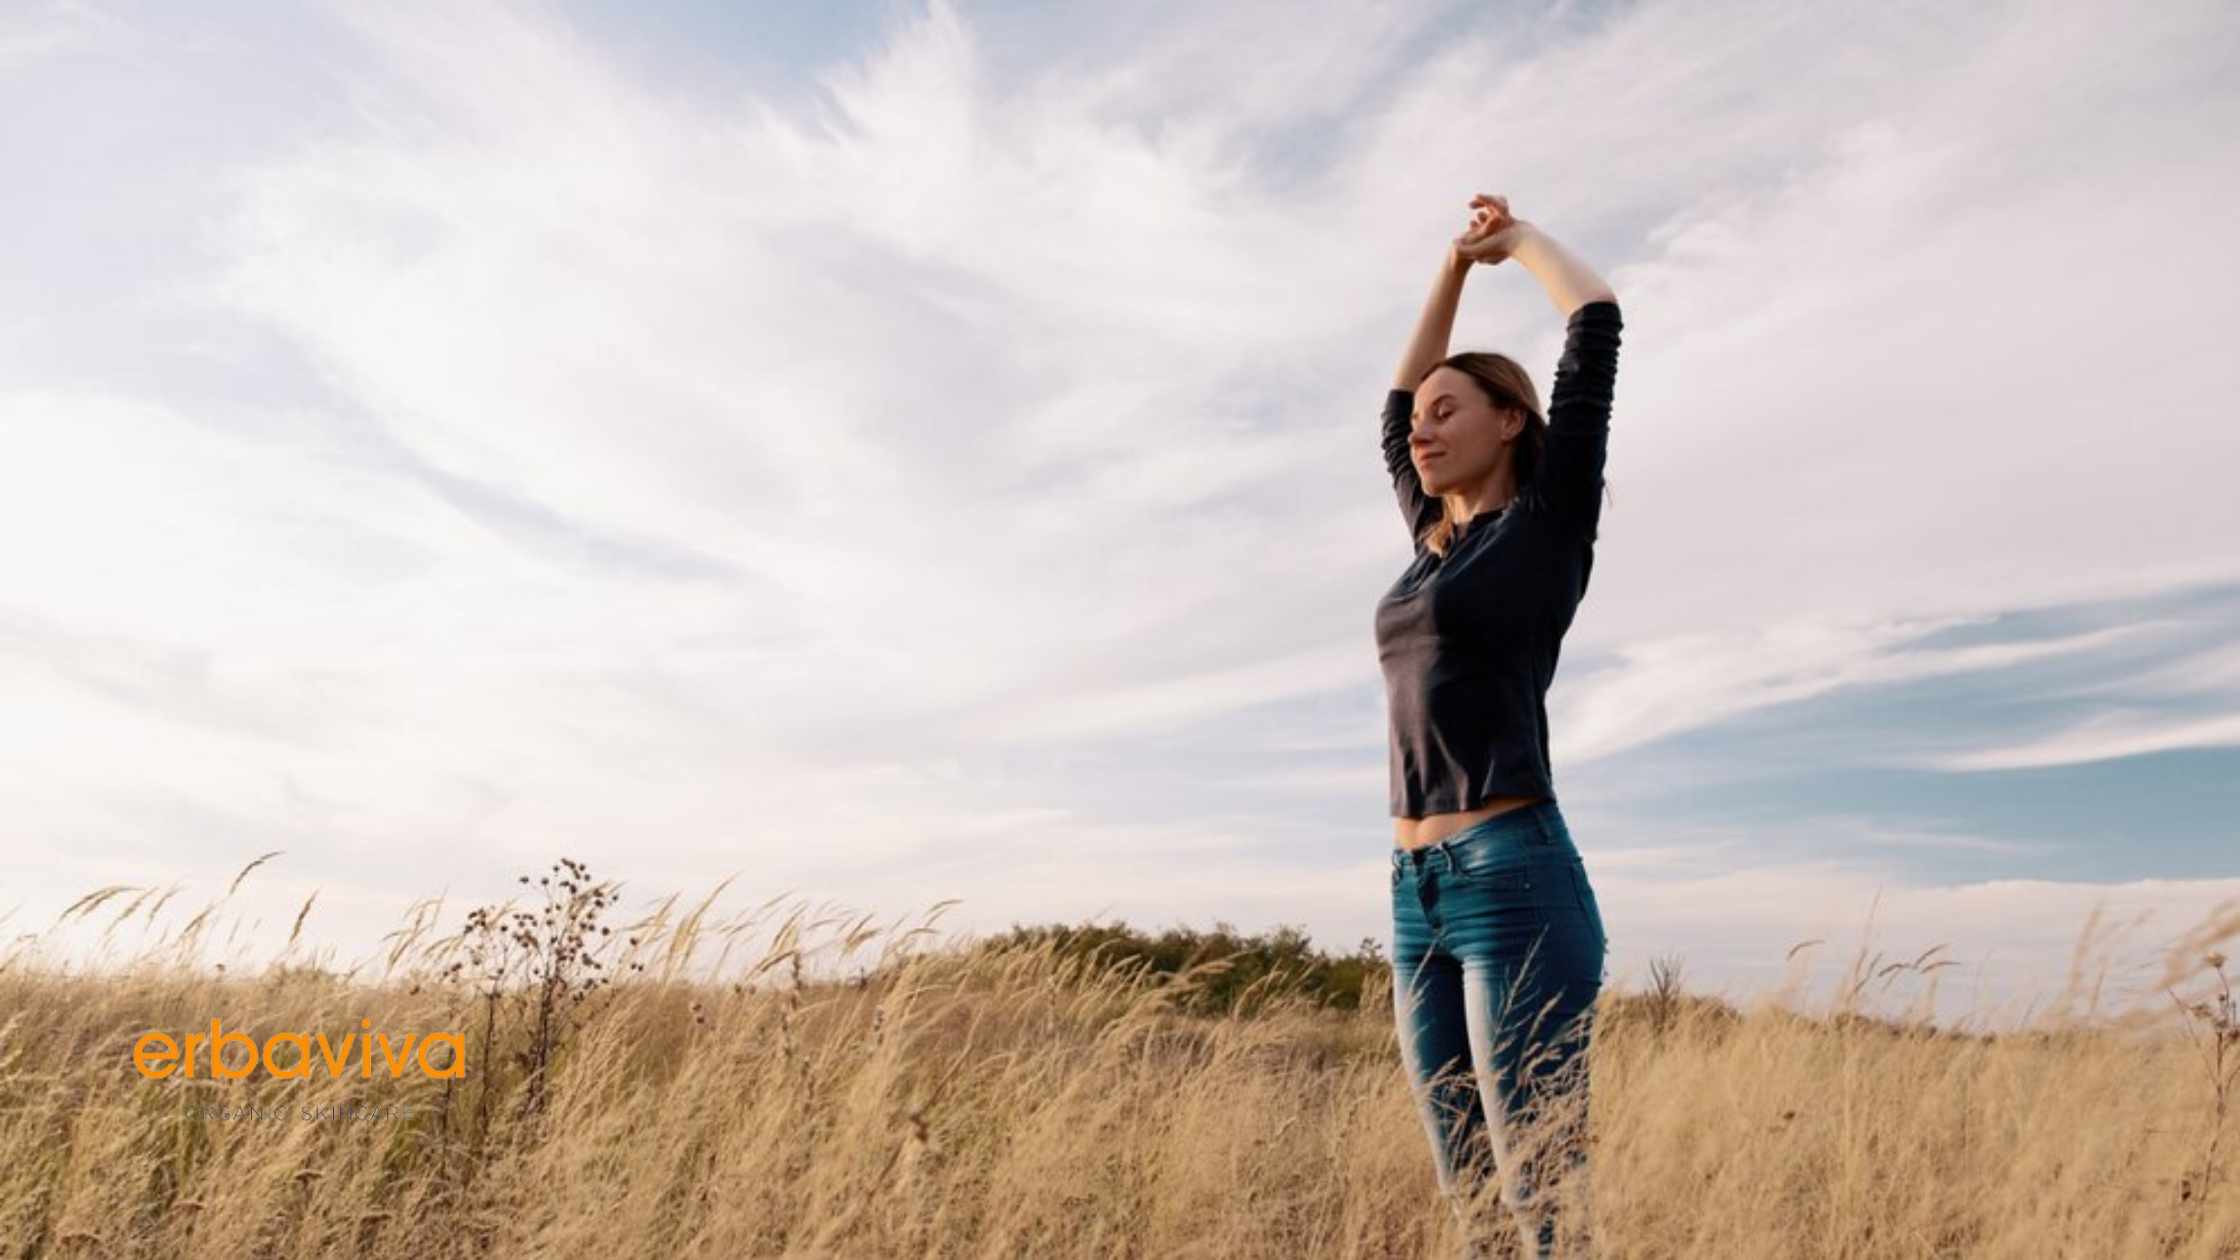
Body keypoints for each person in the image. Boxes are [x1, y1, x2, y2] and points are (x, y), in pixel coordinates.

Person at [1376, 192, 1620, 1260]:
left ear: (1510, 421)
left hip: (1512, 878)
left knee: (1540, 1202)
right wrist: (1448, 267)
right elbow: (1390, 404)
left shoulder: (1546, 524)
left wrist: (1512, 246)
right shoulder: (1429, 541)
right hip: (1413, 893)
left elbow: (1596, 318)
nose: (1421, 427)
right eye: (1420, 416)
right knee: (1467, 1198)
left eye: (1449, 410)